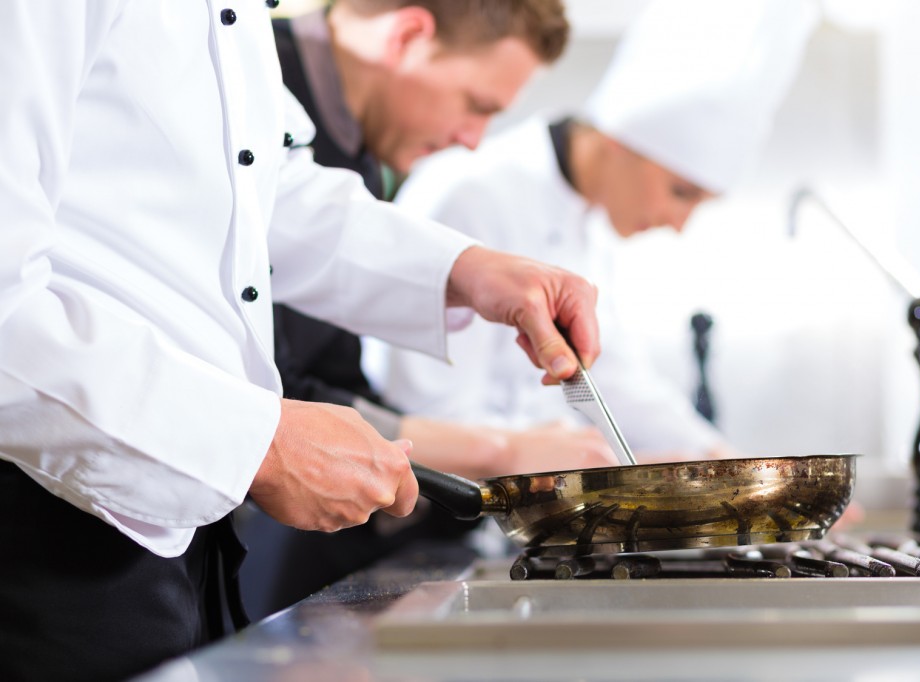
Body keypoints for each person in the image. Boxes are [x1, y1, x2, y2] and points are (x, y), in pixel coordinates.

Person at [0, 3, 601, 681]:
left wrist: (463, 268)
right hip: (38, 520)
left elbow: (260, 192)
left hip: (175, 540)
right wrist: (257, 440)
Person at [233, 0, 619, 621]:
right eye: (477, 105)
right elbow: (279, 392)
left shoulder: (346, 140)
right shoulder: (257, 75)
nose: (472, 140)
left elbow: (330, 374)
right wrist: (499, 451)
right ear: (408, 35)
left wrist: (470, 270)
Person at [369, 0, 818, 458]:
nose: (678, 224)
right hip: (425, 514)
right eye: (680, 192)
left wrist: (724, 463)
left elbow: (618, 378)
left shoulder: (590, 219)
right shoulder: (471, 194)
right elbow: (428, 413)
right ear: (621, 143)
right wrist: (547, 453)